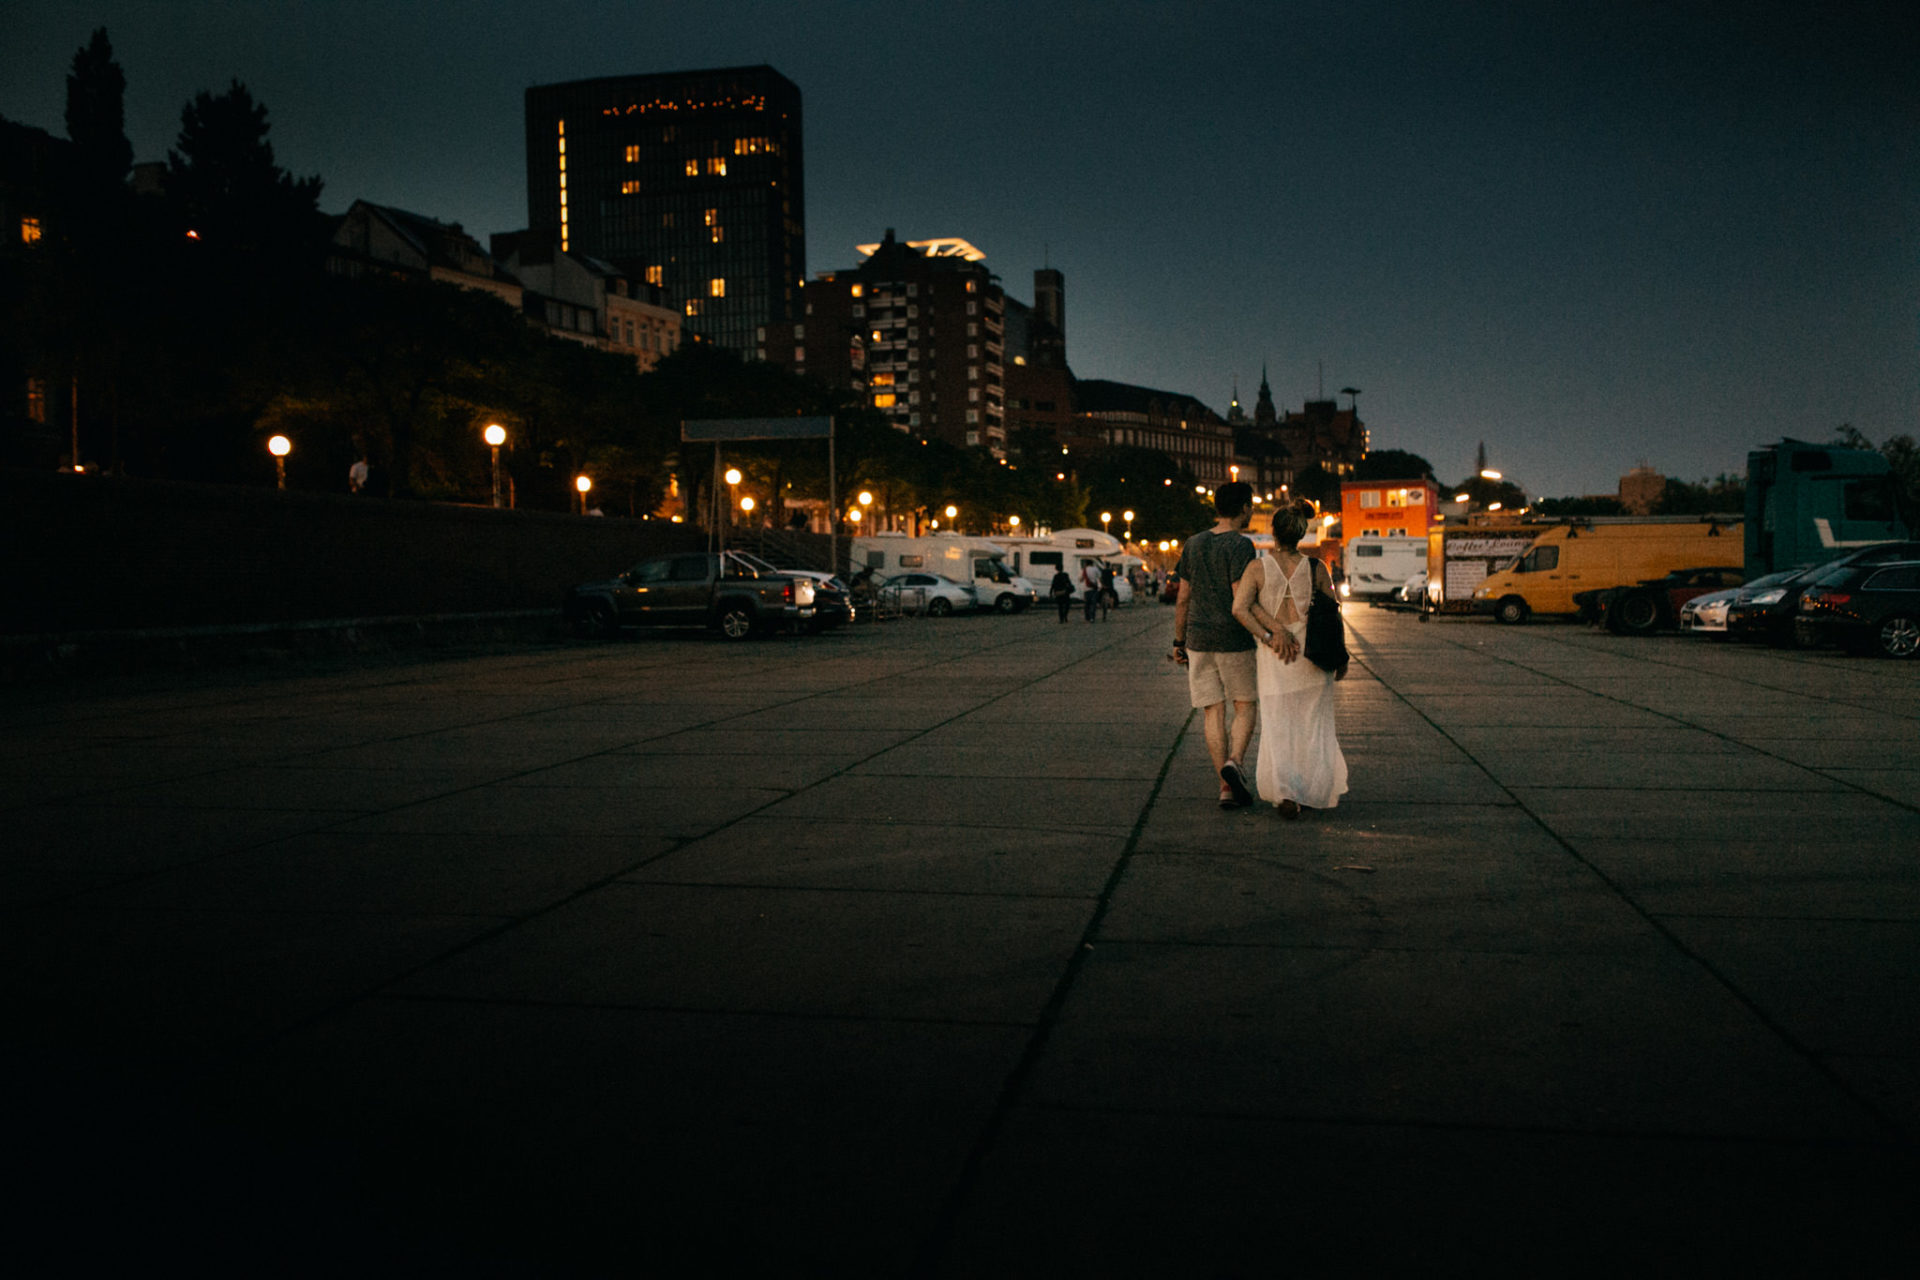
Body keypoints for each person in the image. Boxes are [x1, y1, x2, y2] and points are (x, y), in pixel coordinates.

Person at [1232, 500, 1349, 818]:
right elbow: (1332, 613)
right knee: (1311, 725)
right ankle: (1310, 790)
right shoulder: (1317, 568)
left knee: (1278, 724)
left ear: (1273, 532)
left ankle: (1286, 792)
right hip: (1311, 657)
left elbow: (1239, 609)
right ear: (1300, 534)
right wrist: (1342, 657)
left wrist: (1268, 636)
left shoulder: (1257, 568)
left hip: (1275, 660)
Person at [1173, 481, 1259, 809]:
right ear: (1244, 508)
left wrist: (1179, 641)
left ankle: (1225, 787)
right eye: (1250, 505)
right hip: (1233, 639)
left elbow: (1183, 598)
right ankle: (1235, 762)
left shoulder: (1193, 544)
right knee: (1245, 704)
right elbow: (1241, 595)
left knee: (1212, 710)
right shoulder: (1241, 545)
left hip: (1197, 639)